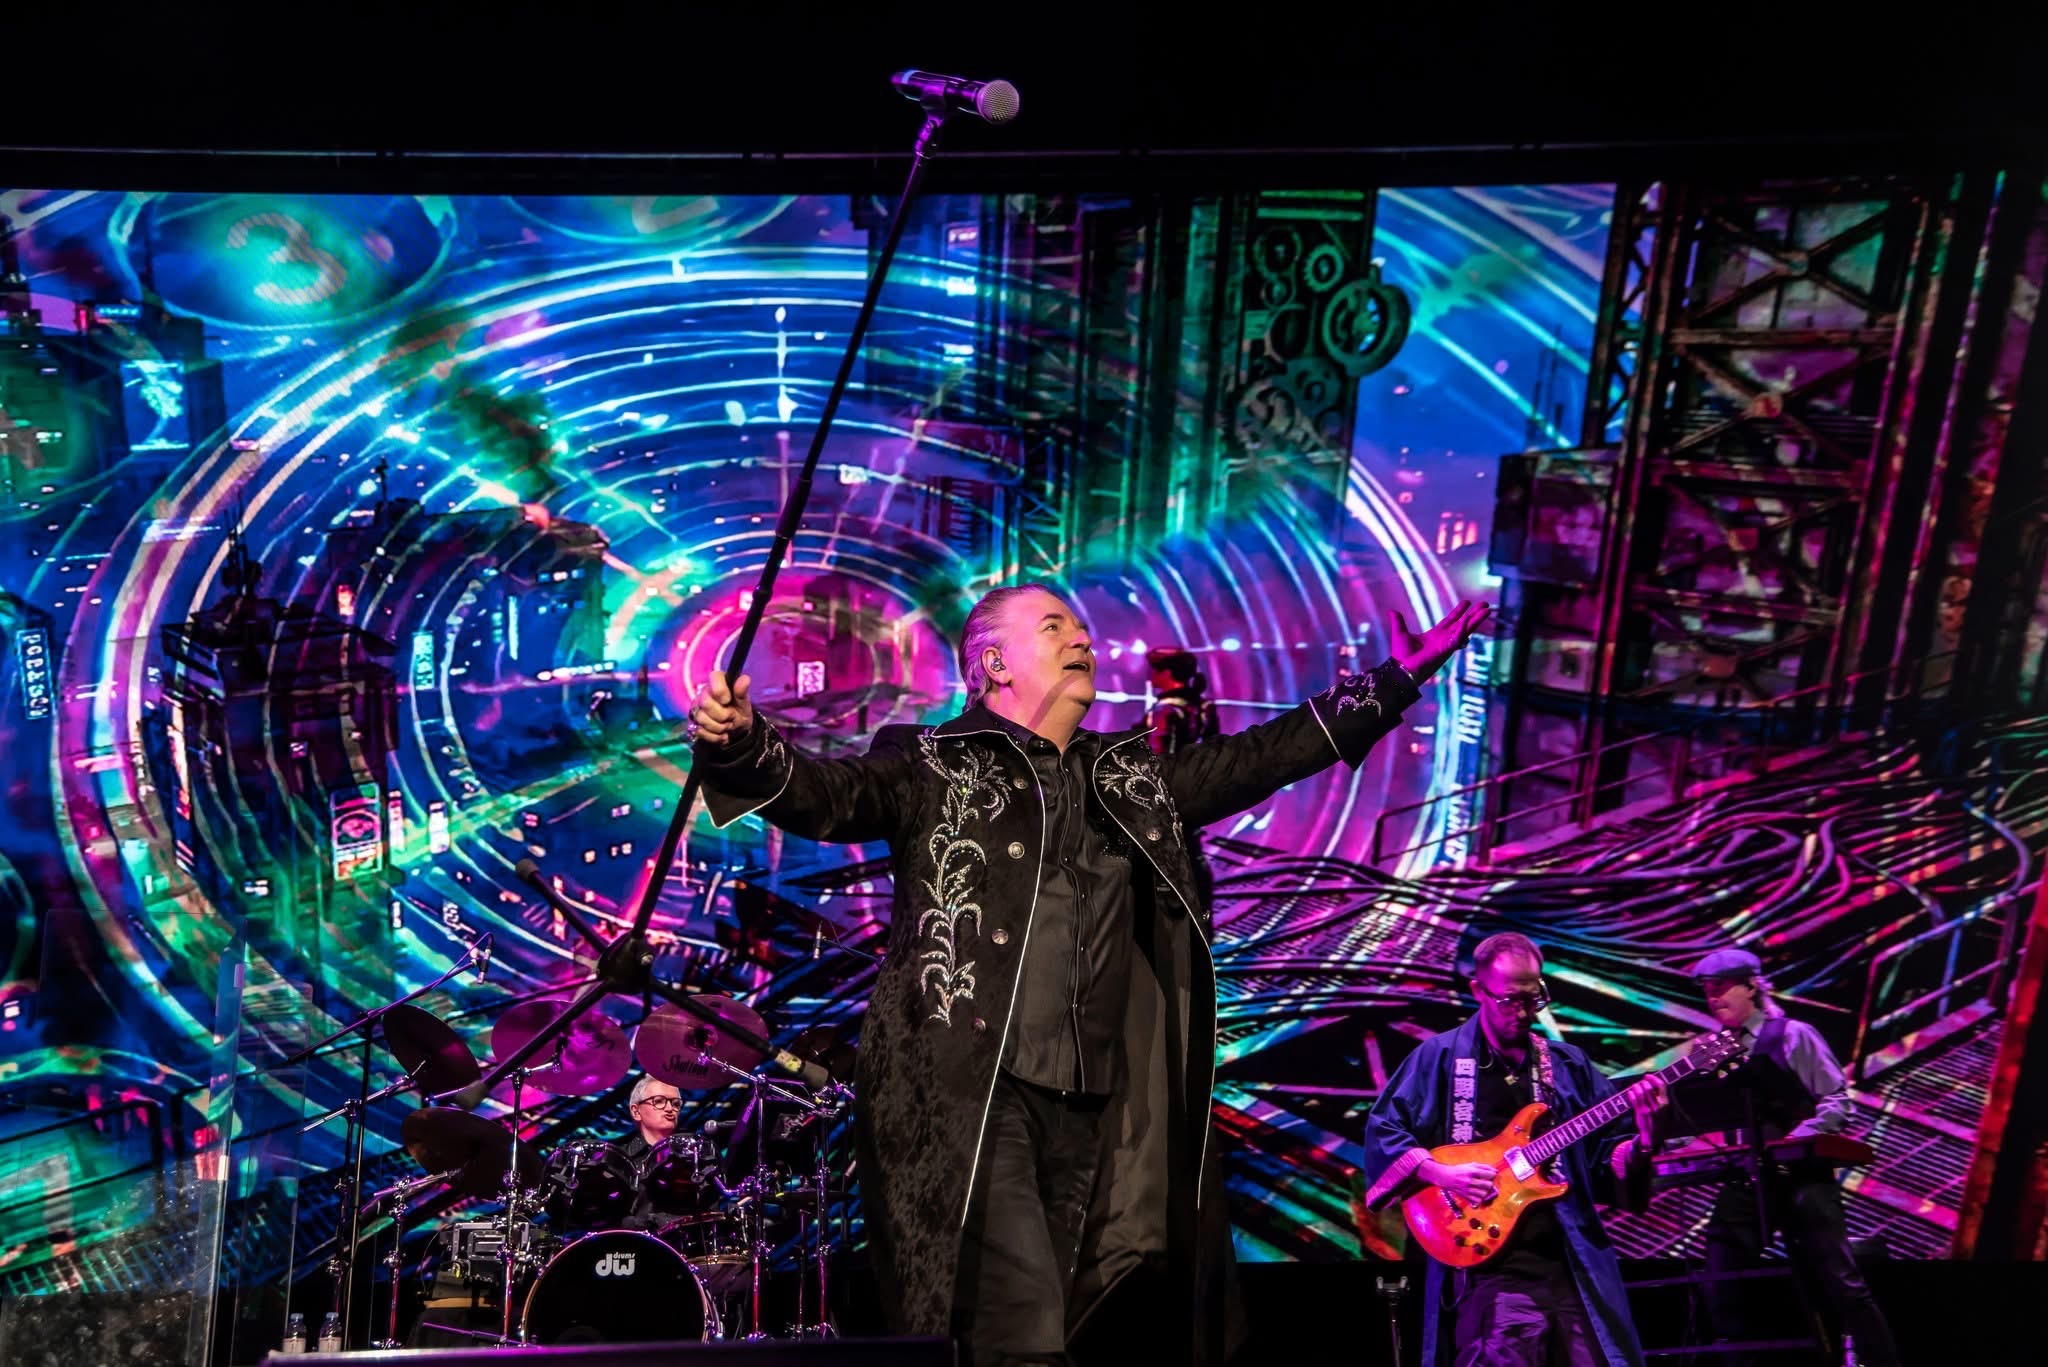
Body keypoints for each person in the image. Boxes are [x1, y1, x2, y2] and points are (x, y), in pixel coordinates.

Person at [689, 584, 1488, 1367]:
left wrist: (1398, 678)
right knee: (1021, 1327)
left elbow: (1264, 756)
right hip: (976, 1096)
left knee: (1077, 1316)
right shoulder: (930, 762)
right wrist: (738, 743)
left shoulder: (1131, 780)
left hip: (1098, 1109)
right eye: (1054, 625)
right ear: (995, 663)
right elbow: (827, 795)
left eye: (1079, 626)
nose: (1082, 638)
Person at [1357, 932, 1666, 1367]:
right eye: (1509, 1001)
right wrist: (1443, 1174)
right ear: (1478, 990)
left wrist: (1646, 1142)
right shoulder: (1438, 1057)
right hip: (1490, 1269)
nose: (1522, 1013)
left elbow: (1607, 1156)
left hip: (1569, 1262)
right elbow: (1385, 1130)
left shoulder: (1568, 1065)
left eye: (1532, 999)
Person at [1688, 948, 1899, 1367]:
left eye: (1722, 987)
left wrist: (1799, 1138)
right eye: (1707, 991)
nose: (1713, 998)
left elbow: (1836, 1099)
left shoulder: (1792, 1034)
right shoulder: (1711, 1049)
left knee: (1841, 1283)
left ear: (1752, 986)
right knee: (1721, 1278)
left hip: (1800, 1173)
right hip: (1746, 1177)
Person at [1143, 646, 1221, 917]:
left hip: (1169, 797)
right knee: (1193, 856)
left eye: (1155, 670)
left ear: (1166, 673)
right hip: (1195, 792)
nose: (1151, 677)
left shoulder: (1165, 712)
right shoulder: (1204, 707)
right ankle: (1201, 917)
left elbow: (1158, 761)